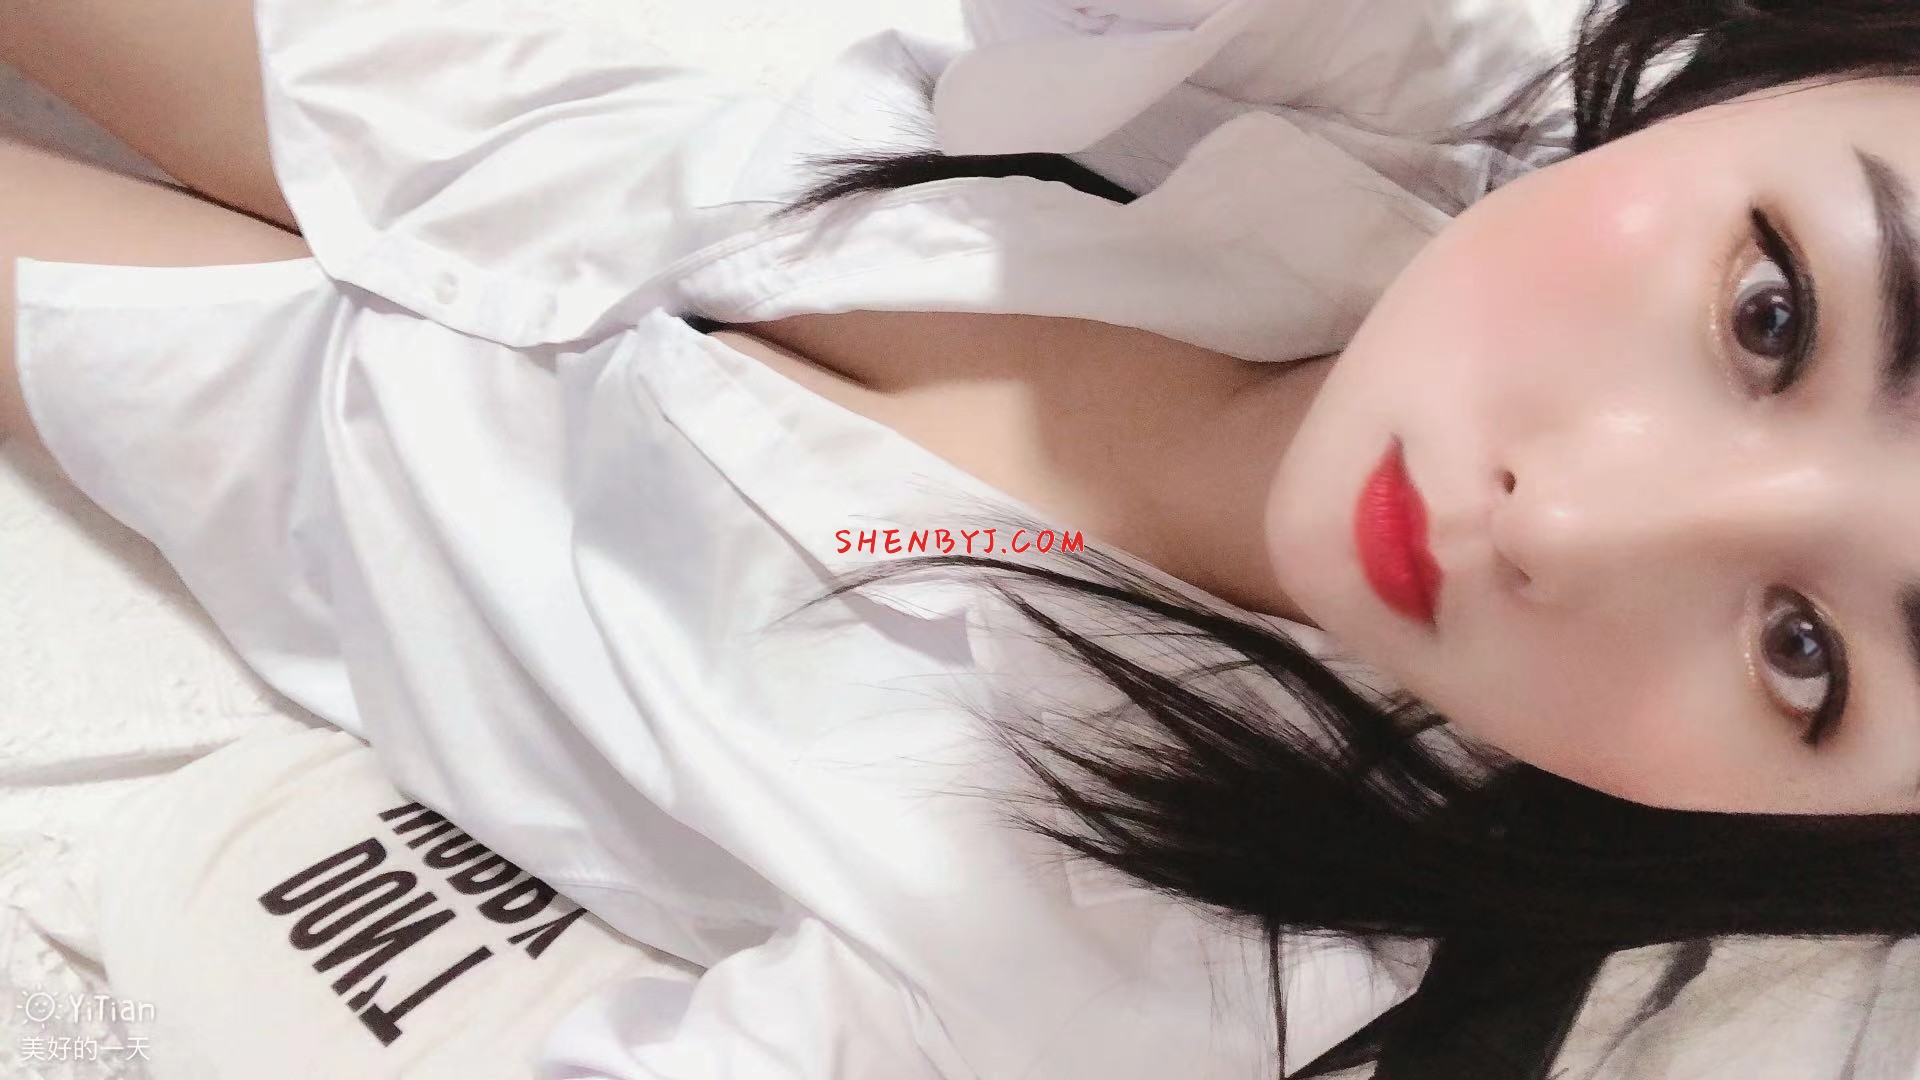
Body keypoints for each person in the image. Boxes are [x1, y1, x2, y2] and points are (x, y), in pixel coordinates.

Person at [4, 0, 1920, 1076]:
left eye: (1804, 656)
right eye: (1774, 315)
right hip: (486, 97)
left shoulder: (1124, 979)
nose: (1566, 523)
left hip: (249, 425)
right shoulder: (1452, 91)